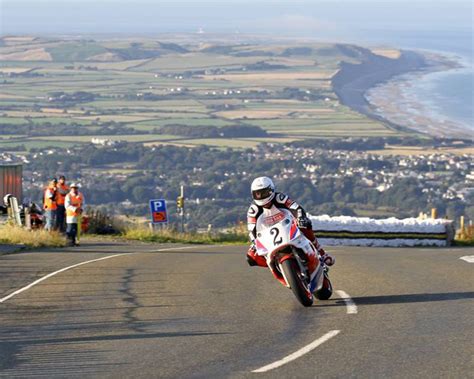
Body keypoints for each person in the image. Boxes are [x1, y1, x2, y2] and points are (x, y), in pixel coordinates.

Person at [246, 177, 335, 272]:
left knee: (305, 224)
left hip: (287, 227)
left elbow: (296, 208)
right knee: (251, 257)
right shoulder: (253, 210)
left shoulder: (279, 198)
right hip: (268, 237)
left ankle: (321, 254)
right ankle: (278, 266)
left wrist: (300, 218)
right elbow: (251, 228)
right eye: (257, 194)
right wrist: (254, 241)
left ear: (271, 190)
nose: (261, 196)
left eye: (263, 193)